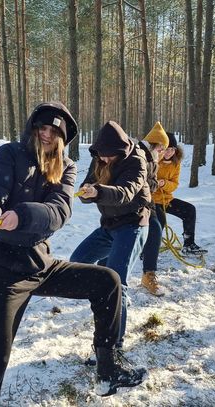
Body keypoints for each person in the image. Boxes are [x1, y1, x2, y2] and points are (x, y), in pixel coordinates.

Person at [0, 103, 146, 407]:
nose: (46, 135)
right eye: (41, 128)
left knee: (108, 281)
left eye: (53, 131)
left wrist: (22, 215)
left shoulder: (66, 167)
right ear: (33, 128)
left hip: (39, 264)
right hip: (5, 270)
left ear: (62, 137)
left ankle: (107, 370)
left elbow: (59, 211)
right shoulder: (10, 155)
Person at [69, 120, 150, 349]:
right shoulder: (100, 157)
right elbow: (88, 184)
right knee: (78, 262)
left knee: (117, 285)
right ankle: (105, 297)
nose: (103, 160)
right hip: (109, 225)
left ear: (119, 150)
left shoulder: (137, 162)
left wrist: (98, 192)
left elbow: (124, 193)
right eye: (100, 155)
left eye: (107, 156)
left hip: (133, 225)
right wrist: (86, 192)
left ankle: (114, 345)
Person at [153, 132, 208, 255]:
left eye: (172, 149)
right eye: (166, 149)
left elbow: (174, 185)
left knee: (189, 210)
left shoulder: (176, 164)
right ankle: (149, 250)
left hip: (166, 200)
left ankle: (189, 244)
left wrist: (164, 184)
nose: (169, 152)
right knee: (159, 221)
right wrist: (155, 183)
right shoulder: (154, 161)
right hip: (151, 201)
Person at [136, 122, 169, 296]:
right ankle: (148, 274)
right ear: (154, 145)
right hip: (134, 203)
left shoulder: (153, 159)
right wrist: (152, 184)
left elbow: (151, 182)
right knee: (154, 228)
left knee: (159, 224)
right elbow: (140, 182)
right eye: (162, 148)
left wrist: (154, 184)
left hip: (148, 201)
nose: (163, 152)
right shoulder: (139, 155)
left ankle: (148, 270)